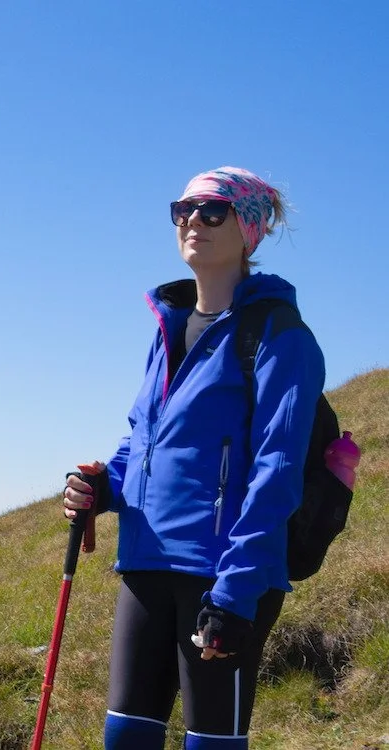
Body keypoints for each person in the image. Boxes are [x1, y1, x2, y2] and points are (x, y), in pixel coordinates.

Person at [61, 167, 325, 750]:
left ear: (248, 229)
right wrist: (103, 489)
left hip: (222, 573)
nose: (192, 221)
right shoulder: (168, 330)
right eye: (182, 209)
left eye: (212, 210)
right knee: (125, 737)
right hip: (145, 562)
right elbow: (143, 438)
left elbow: (278, 470)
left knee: (211, 742)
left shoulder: (279, 335)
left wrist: (236, 593)